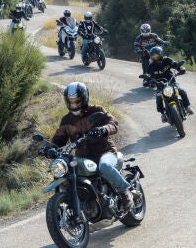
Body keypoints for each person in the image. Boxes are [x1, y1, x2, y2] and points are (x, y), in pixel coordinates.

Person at [51, 82, 134, 210]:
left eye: (77, 101)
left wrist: (103, 129)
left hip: (105, 153)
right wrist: (50, 148)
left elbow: (113, 123)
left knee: (105, 166)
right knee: (66, 173)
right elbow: (58, 139)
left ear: (84, 98)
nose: (74, 105)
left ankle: (125, 192)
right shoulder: (66, 120)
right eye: (71, 102)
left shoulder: (97, 111)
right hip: (84, 158)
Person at [146, 46, 194, 122]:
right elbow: (147, 75)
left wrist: (181, 68)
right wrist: (147, 80)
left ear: (161, 54)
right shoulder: (151, 66)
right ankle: (163, 114)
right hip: (160, 85)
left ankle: (187, 107)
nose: (155, 58)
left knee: (182, 91)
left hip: (171, 82)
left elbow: (175, 64)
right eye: (153, 56)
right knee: (158, 99)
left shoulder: (167, 60)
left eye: (157, 56)